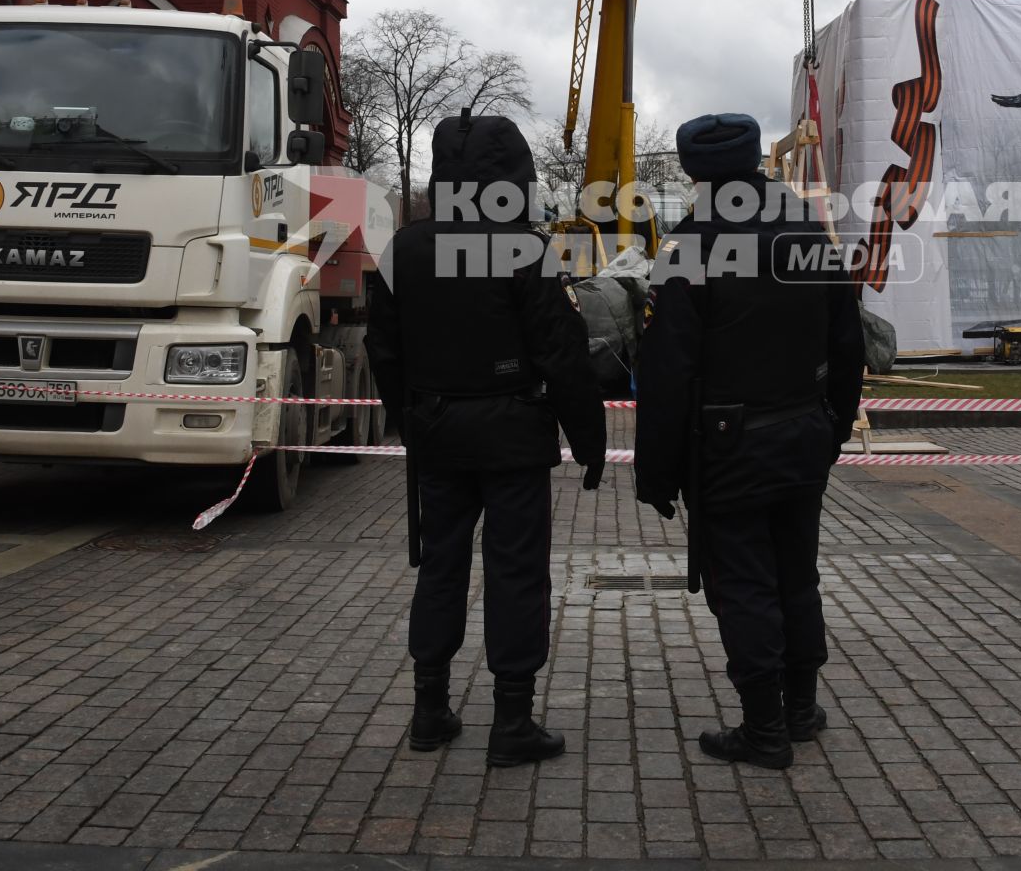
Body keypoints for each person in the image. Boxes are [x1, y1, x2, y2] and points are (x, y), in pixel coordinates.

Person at [365, 112, 607, 768]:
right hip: (514, 438)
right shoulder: (524, 249)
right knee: (516, 574)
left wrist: (409, 420)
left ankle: (429, 709)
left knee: (440, 566)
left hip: (438, 435)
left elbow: (383, 350)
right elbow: (563, 356)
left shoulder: (403, 250)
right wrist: (590, 443)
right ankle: (512, 721)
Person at [633, 113, 865, 770]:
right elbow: (846, 341)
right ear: (756, 159)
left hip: (730, 445)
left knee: (743, 585)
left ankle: (764, 729)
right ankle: (799, 709)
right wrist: (834, 429)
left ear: (691, 171)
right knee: (797, 574)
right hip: (803, 435)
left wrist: (657, 474)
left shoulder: (690, 244)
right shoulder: (805, 229)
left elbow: (667, 371)